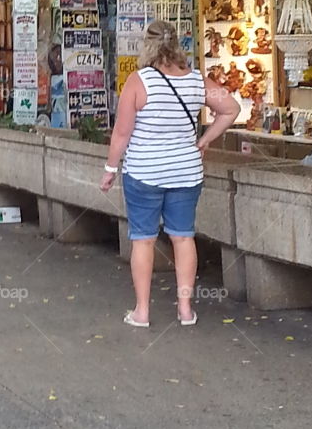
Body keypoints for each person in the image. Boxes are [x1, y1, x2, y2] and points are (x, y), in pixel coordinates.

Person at [100, 19, 239, 328]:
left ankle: (142, 312)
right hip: (186, 173)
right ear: (177, 45)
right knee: (183, 237)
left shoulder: (139, 81)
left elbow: (121, 134)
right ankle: (186, 309)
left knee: (143, 241)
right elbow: (231, 109)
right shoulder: (196, 81)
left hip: (144, 173)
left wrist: (110, 169)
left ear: (147, 46)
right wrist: (204, 139)